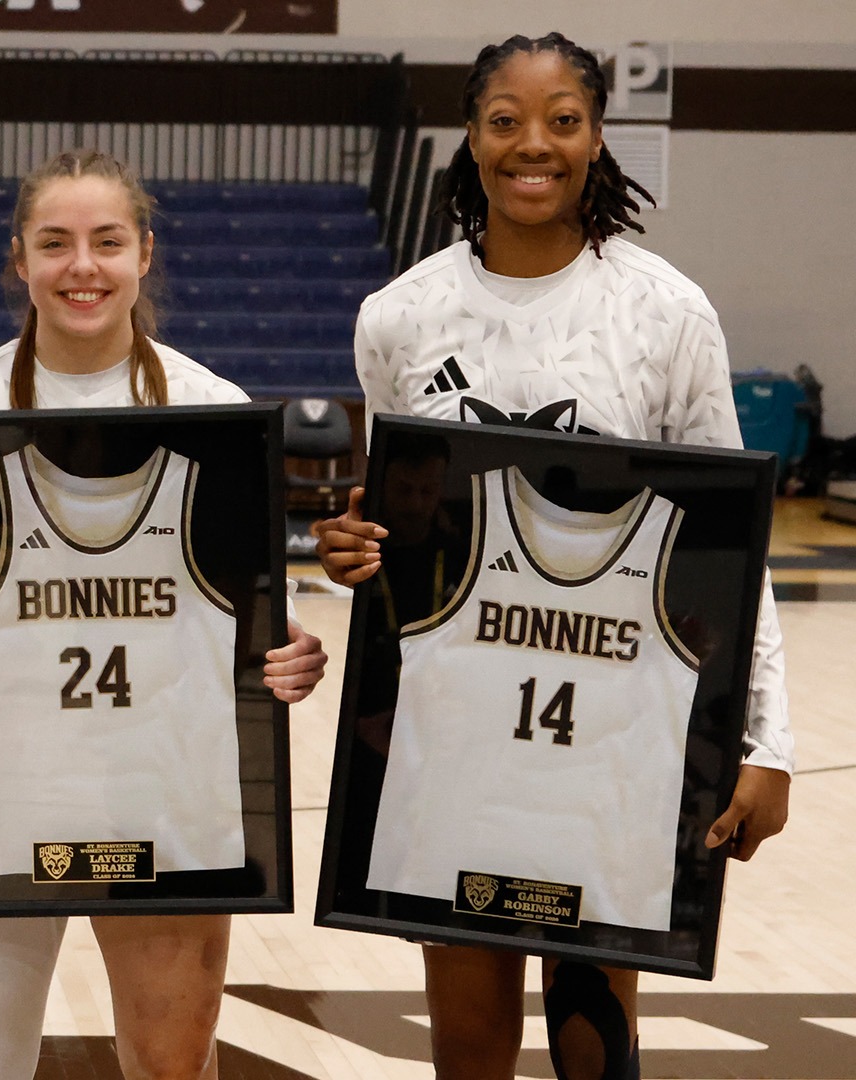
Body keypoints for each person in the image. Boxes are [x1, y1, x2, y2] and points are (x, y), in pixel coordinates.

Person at [311, 33, 792, 1079]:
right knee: (470, 1048)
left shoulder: (665, 312)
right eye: (506, 120)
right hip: (458, 732)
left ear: (597, 136)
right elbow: (401, 519)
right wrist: (354, 548)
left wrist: (769, 744)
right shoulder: (397, 318)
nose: (535, 145)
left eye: (563, 119)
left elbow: (731, 538)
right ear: (471, 138)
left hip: (613, 730)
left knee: (594, 1052)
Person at [0, 148, 328, 1080]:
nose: (82, 267)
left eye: (106, 242)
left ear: (144, 252)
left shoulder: (212, 409)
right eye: (54, 244)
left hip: (166, 783)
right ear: (19, 260)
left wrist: (289, 652)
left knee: (171, 1068)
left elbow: (260, 614)